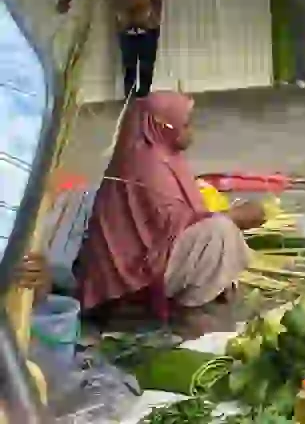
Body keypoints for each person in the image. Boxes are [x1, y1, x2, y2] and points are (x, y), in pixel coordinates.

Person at [76, 93, 262, 321]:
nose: (192, 130)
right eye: (185, 125)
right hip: (133, 276)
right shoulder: (147, 164)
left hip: (151, 256)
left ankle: (201, 294)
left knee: (219, 230)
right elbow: (173, 230)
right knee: (219, 234)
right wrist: (235, 217)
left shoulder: (165, 154)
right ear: (160, 127)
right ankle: (186, 309)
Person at [57, 0, 164, 98]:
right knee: (130, 68)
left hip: (147, 27)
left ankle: (142, 99)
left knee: (145, 67)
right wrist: (68, 0)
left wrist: (152, 21)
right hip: (127, 28)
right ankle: (131, 102)